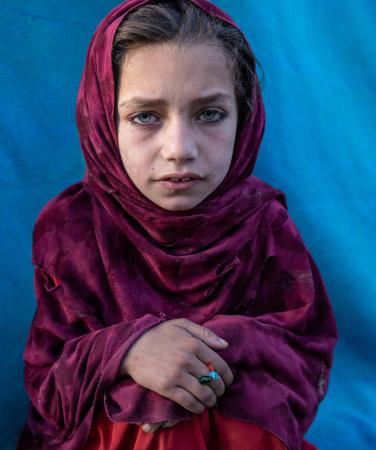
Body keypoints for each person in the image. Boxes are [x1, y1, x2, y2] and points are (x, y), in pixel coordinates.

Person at [18, 0, 337, 449]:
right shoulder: (71, 232)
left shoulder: (264, 225)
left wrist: (199, 361)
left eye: (209, 114)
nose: (179, 149)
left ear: (244, 117)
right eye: (145, 116)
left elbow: (305, 365)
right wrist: (128, 352)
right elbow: (50, 388)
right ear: (104, 121)